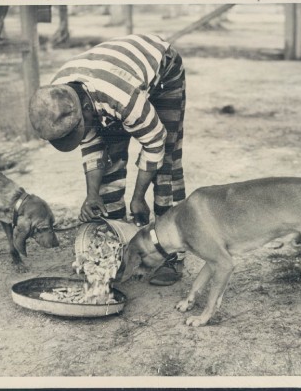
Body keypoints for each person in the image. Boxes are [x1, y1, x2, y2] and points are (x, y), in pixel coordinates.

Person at [28, 34, 186, 286]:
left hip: (162, 70)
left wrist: (138, 198)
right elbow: (92, 143)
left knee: (166, 164)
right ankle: (119, 248)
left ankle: (172, 256)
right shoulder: (58, 95)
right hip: (104, 83)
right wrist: (92, 196)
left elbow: (155, 140)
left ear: (87, 111)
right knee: (109, 158)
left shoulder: (120, 98)